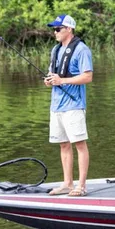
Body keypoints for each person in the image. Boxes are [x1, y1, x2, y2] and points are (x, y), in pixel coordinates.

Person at [43, 14, 93, 197]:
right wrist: (49, 81)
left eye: (58, 29)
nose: (54, 32)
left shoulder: (82, 50)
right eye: (54, 29)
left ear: (69, 29)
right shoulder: (55, 50)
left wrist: (62, 80)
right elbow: (53, 74)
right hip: (56, 106)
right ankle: (67, 184)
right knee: (63, 145)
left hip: (74, 105)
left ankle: (81, 186)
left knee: (79, 143)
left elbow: (88, 76)